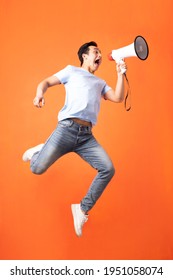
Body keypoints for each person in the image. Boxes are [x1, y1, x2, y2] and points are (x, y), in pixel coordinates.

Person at [22, 41, 127, 237]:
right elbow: (45, 82)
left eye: (101, 54)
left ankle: (81, 209)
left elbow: (118, 97)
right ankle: (39, 150)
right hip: (66, 130)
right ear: (85, 56)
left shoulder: (100, 83)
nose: (100, 56)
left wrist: (120, 73)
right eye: (96, 52)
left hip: (86, 138)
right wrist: (39, 95)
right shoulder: (71, 71)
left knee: (108, 168)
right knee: (36, 168)